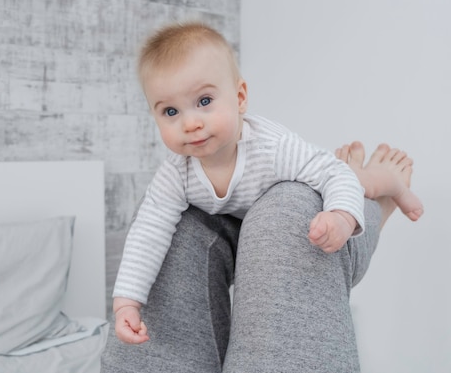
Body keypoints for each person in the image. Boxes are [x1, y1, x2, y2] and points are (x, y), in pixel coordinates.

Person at [102, 21, 423, 372]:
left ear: (240, 98)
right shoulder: (176, 172)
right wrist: (126, 303)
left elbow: (334, 174)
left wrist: (342, 218)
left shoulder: (273, 149)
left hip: (300, 193)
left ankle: (386, 190)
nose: (189, 123)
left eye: (204, 101)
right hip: (240, 227)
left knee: (352, 180)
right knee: (170, 230)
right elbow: (147, 233)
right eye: (170, 112)